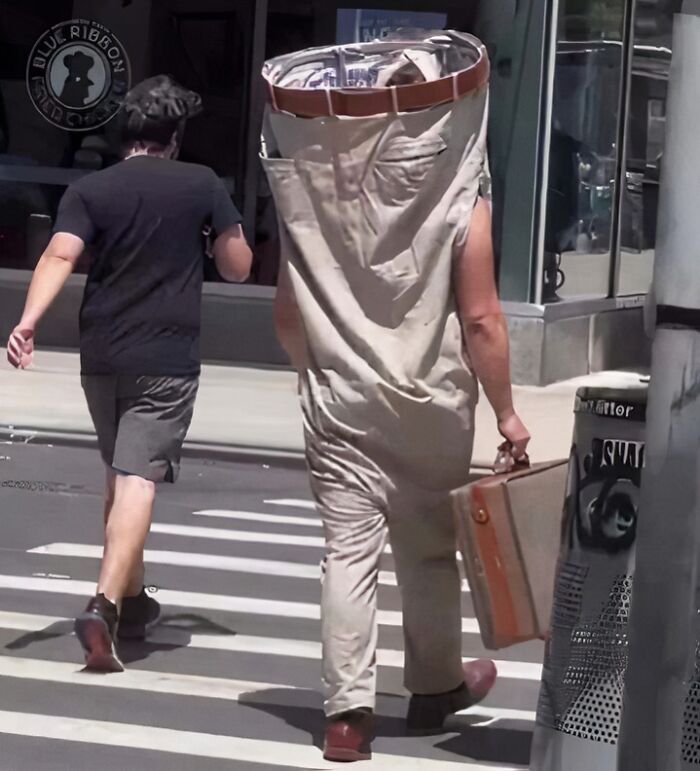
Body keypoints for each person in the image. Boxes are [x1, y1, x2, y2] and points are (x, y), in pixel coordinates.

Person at [264, 32, 531, 762]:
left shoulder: (311, 186)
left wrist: (308, 367)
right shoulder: (457, 188)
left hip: (339, 396)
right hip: (431, 396)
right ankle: (437, 684)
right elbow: (480, 318)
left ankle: (348, 715)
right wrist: (506, 409)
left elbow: (289, 311)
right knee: (428, 549)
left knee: (346, 552)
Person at [5, 75, 252, 672]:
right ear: (175, 135)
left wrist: (28, 322)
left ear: (127, 133)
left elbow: (59, 254)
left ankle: (135, 599)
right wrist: (216, 234)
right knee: (139, 479)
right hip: (165, 356)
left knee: (120, 477)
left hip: (103, 353)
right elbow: (239, 267)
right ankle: (105, 604)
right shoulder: (202, 184)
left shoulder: (93, 190)